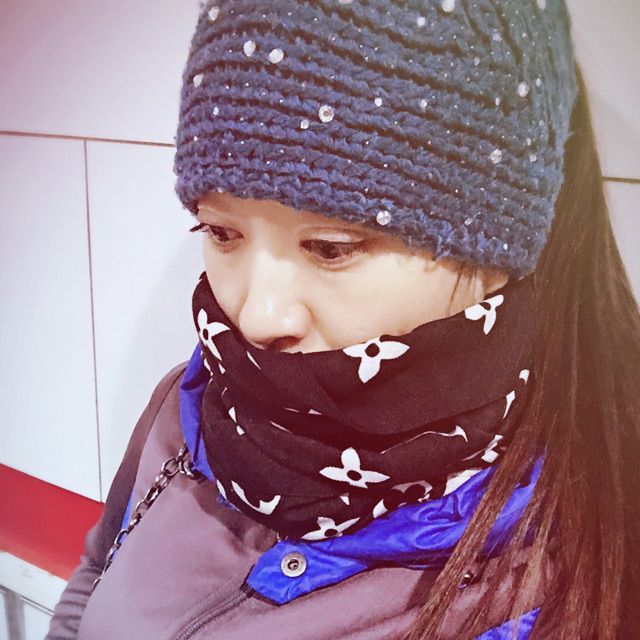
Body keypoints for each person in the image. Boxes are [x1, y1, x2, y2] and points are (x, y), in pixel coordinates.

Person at [47, 1, 640, 639]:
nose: (256, 316)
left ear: (499, 250)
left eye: (331, 248)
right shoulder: (187, 401)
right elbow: (97, 571)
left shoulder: (564, 580)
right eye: (220, 231)